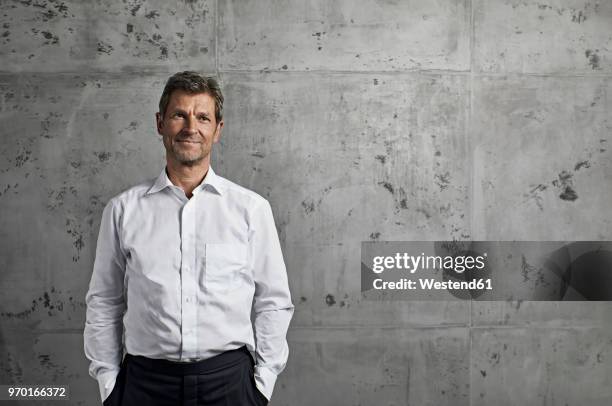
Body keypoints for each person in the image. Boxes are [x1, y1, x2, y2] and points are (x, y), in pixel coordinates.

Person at [84, 71, 294, 406]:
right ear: (160, 123)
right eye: (179, 115)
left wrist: (262, 384)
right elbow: (104, 302)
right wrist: (110, 386)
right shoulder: (123, 211)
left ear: (218, 129)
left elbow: (274, 301)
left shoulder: (251, 209)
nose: (190, 127)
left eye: (203, 117)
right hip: (144, 385)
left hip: (231, 384)